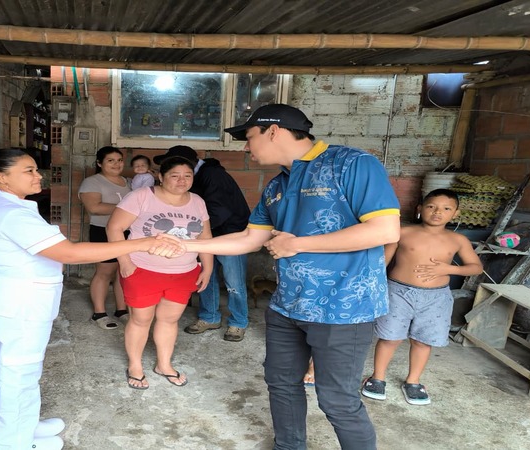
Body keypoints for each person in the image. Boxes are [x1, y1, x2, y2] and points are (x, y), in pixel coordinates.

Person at [179, 104, 401, 450]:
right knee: (281, 384)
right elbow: (249, 238)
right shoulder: (276, 185)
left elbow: (384, 230)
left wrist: (298, 244)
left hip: (343, 308)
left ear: (273, 131)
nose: (245, 147)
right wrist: (185, 245)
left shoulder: (352, 164)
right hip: (287, 306)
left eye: (249, 137)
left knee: (337, 400)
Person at [0, 148, 181, 450]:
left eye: (35, 169)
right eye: (28, 171)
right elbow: (70, 253)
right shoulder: (11, 214)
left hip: (8, 300)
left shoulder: (5, 203)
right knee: (19, 375)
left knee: (16, 370)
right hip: (17, 305)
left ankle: (26, 425)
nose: (38, 176)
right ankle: (15, 443)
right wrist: (141, 244)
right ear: (1, 177)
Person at [361, 189, 483, 405]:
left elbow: (475, 267)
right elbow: (382, 262)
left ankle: (413, 382)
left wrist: (448, 269)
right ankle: (377, 378)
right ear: (420, 209)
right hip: (398, 292)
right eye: (431, 206)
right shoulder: (402, 232)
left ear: (455, 213)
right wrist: (372, 287)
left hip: (436, 298)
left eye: (446, 208)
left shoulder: (457, 240)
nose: (438, 212)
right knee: (390, 338)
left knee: (423, 341)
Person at [107, 156, 213, 389]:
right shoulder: (141, 196)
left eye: (187, 176)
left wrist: (208, 267)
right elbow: (114, 227)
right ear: (161, 177)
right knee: (140, 319)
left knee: (169, 319)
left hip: (183, 272)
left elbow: (205, 237)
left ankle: (164, 364)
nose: (182, 181)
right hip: (143, 270)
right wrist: (124, 262)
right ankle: (135, 366)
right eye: (175, 176)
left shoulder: (197, 201)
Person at [153, 145, 251, 342]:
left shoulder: (213, 175)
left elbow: (219, 211)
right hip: (207, 235)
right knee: (206, 276)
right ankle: (209, 317)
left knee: (234, 281)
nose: (179, 176)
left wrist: (193, 235)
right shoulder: (195, 177)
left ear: (190, 163)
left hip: (229, 235)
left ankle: (238, 322)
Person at [78, 146, 131, 329]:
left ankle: (121, 310)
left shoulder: (128, 182)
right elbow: (95, 207)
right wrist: (128, 209)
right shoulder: (92, 182)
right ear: (100, 163)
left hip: (128, 231)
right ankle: (99, 313)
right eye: (111, 160)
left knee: (123, 271)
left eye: (119, 160)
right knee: (105, 272)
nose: (117, 164)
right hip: (103, 230)